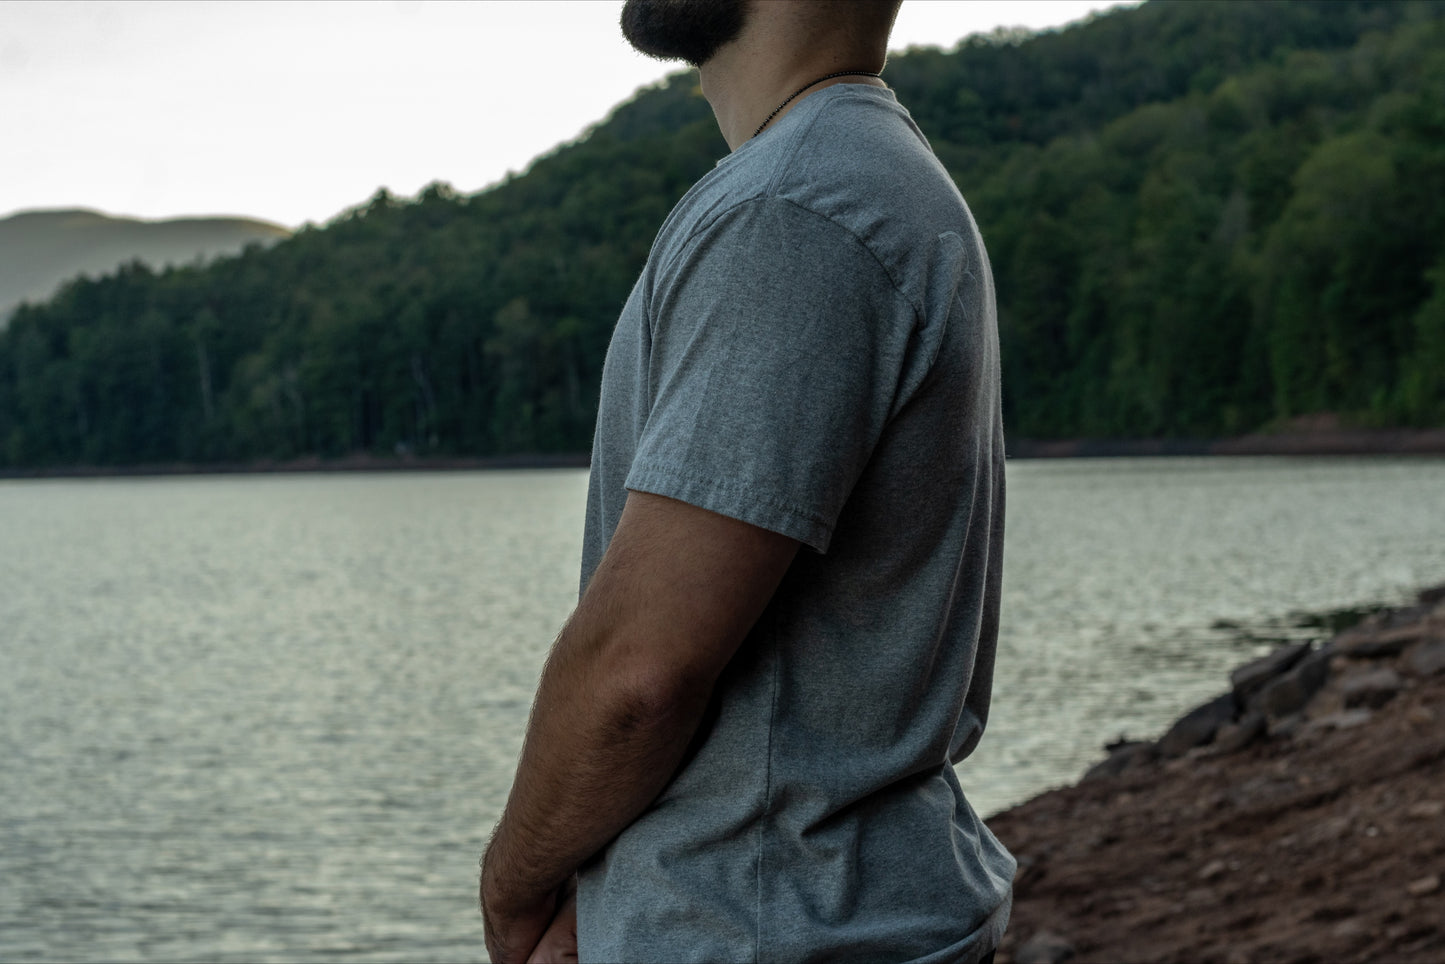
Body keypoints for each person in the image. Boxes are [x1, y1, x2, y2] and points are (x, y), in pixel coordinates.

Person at [480, 1, 1014, 960]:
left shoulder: (795, 211)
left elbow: (638, 673)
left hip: (759, 929)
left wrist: (512, 890)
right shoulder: (857, 179)